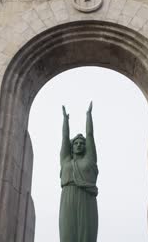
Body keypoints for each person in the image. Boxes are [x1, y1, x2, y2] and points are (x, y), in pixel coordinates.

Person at [59, 102, 98, 242]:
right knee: (67, 235)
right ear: (72, 146)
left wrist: (88, 115)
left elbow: (90, 135)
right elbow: (64, 139)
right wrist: (65, 120)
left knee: (86, 235)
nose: (79, 145)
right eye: (76, 143)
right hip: (68, 197)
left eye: (82, 143)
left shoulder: (89, 159)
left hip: (87, 198)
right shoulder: (66, 161)